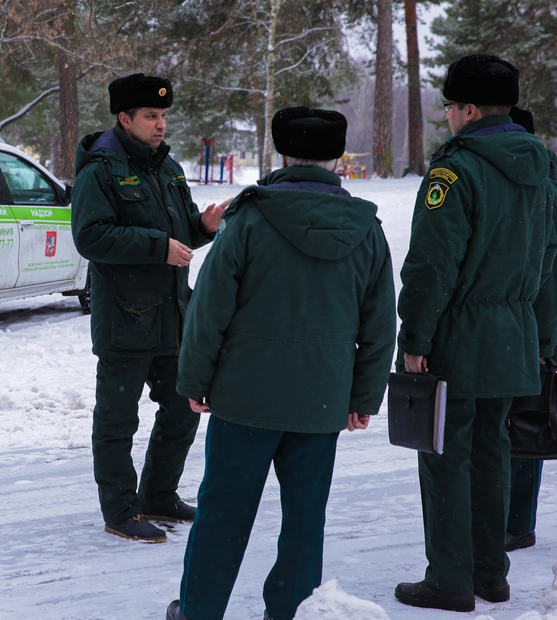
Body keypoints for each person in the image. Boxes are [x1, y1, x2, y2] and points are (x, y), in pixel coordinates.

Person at [165, 107, 396, 620]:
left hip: (244, 397)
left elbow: (209, 311)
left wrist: (195, 378)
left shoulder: (248, 218)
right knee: (305, 520)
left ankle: (199, 611)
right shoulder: (366, 229)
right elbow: (382, 324)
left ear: (281, 153)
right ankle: (291, 611)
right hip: (321, 401)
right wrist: (363, 398)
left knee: (223, 514)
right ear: (336, 158)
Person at [394, 54, 557, 613]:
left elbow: (430, 266)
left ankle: (450, 579)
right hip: (514, 327)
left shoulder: (455, 169)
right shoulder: (540, 165)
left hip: (460, 332)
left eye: (448, 107)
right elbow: (548, 255)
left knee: (444, 455)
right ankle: (490, 572)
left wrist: (414, 338)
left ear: (467, 109)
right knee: (492, 453)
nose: (446, 118)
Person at [71, 73, 224, 543]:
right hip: (125, 319)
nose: (161, 125)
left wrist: (202, 225)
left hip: (174, 316)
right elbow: (90, 237)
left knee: (182, 408)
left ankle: (159, 494)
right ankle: (120, 510)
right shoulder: (100, 169)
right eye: (151, 116)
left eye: (163, 116)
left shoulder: (170, 167)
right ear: (124, 118)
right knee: (118, 420)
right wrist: (159, 247)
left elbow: (180, 232)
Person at [506, 106, 557, 552]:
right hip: (535, 320)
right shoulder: (540, 172)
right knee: (518, 417)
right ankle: (511, 519)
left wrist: (541, 341)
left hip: (540, 321)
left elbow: (553, 267)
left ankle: (517, 522)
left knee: (526, 418)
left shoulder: (542, 181)